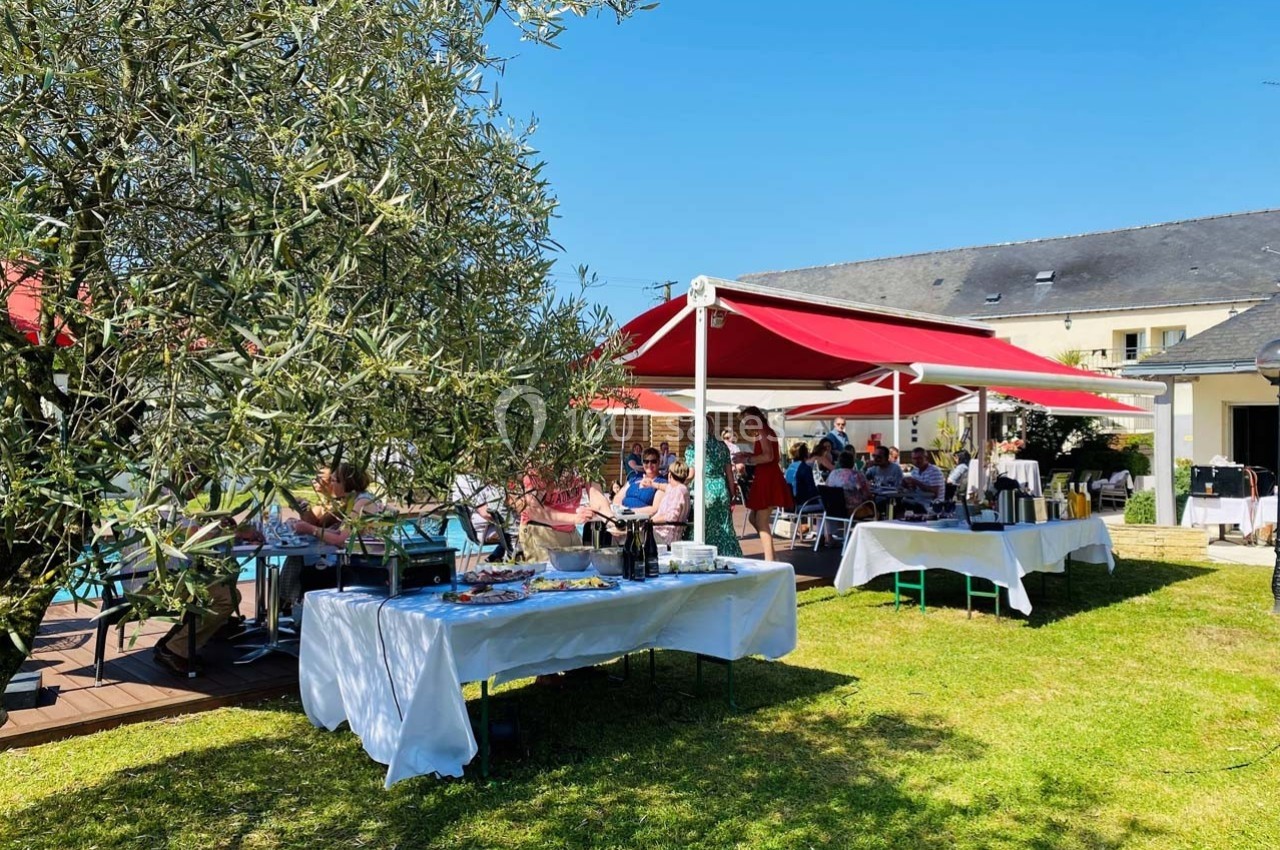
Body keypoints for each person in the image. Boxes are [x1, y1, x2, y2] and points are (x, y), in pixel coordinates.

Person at [153, 467, 263, 675]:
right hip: (158, 583)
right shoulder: (168, 501)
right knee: (227, 597)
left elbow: (188, 531)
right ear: (188, 478)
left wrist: (218, 525)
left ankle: (191, 634)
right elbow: (194, 538)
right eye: (199, 482)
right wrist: (234, 531)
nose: (200, 488)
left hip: (163, 576)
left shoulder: (159, 494)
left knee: (229, 570)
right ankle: (174, 650)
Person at [287, 462, 384, 610]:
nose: (332, 485)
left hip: (364, 567)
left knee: (312, 575)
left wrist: (310, 529)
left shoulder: (363, 502)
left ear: (345, 482)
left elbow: (342, 540)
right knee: (309, 573)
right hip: (356, 563)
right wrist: (308, 528)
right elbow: (341, 532)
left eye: (334, 481)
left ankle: (298, 611)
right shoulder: (355, 500)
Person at [512, 466, 601, 563]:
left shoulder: (581, 462)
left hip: (571, 530)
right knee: (548, 577)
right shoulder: (537, 466)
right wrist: (575, 518)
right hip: (542, 533)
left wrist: (610, 518)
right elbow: (532, 509)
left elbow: (596, 493)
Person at [736, 406, 791, 562]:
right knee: (754, 519)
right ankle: (772, 556)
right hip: (765, 476)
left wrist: (747, 460)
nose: (746, 425)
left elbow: (768, 456)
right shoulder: (764, 432)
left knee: (761, 520)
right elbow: (768, 455)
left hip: (768, 478)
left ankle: (770, 561)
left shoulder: (763, 432)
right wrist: (748, 455)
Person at [685, 414, 743, 556]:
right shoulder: (722, 446)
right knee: (725, 527)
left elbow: (692, 474)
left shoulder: (693, 448)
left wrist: (677, 483)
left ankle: (703, 556)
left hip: (703, 489)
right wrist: (732, 492)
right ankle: (730, 555)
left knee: (703, 527)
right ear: (711, 428)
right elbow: (729, 473)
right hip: (721, 488)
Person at [452, 474, 511, 562]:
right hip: (485, 531)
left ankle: (494, 557)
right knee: (524, 531)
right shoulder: (471, 482)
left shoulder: (459, 479)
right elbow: (485, 513)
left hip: (473, 531)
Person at [612, 447, 668, 518]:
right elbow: (618, 497)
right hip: (622, 517)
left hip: (641, 521)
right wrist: (619, 510)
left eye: (653, 461)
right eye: (646, 461)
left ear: (659, 462)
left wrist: (630, 511)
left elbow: (655, 509)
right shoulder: (635, 478)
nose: (649, 464)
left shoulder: (661, 483)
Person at [651, 460, 691, 545]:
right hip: (658, 532)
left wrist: (650, 521)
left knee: (629, 536)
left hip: (665, 537)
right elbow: (666, 487)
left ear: (670, 475)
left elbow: (671, 517)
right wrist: (651, 483)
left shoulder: (679, 490)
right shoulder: (674, 488)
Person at [901, 446, 945, 511]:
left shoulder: (934, 471)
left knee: (903, 505)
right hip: (918, 502)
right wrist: (905, 484)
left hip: (932, 505)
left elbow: (935, 493)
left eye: (919, 458)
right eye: (914, 458)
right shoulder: (915, 470)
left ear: (926, 458)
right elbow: (914, 489)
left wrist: (916, 482)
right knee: (897, 503)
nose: (916, 461)